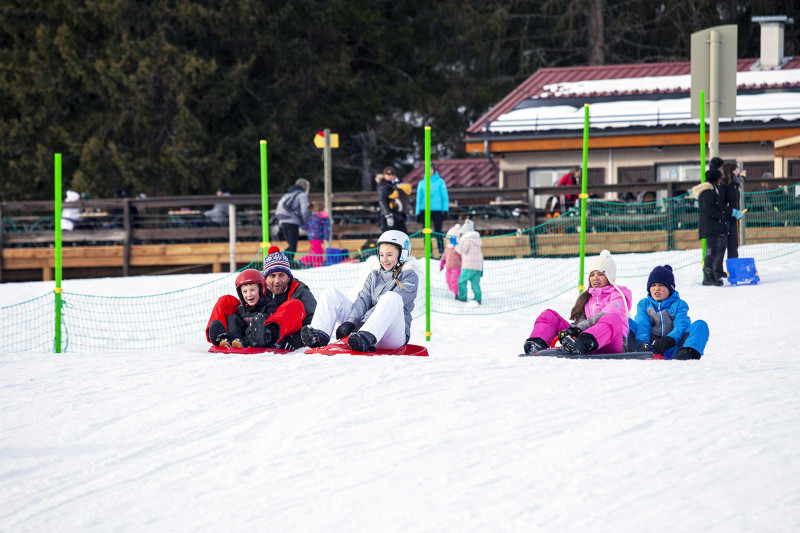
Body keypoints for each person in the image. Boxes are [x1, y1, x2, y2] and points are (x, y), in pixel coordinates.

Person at [299, 230, 418, 352]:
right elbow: (363, 300)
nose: (384, 259)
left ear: (402, 254)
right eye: (381, 255)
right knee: (330, 294)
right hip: (361, 331)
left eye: (389, 255)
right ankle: (319, 335)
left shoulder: (410, 277)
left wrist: (362, 324)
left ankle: (366, 337)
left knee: (391, 297)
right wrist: (350, 322)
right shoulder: (374, 275)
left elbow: (388, 304)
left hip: (391, 336)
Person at [522, 249, 633, 355]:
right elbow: (580, 322)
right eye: (592, 274)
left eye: (601, 274)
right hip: (582, 341)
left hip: (611, 344)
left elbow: (602, 317)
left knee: (612, 317)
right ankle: (537, 343)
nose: (595, 278)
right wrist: (571, 331)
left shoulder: (619, 297)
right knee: (549, 315)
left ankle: (584, 343)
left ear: (609, 277)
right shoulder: (587, 298)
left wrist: (577, 329)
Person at [206, 246, 317, 349]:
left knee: (294, 305)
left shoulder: (300, 292)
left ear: (289, 277)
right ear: (265, 278)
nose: (277, 281)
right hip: (251, 330)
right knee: (226, 300)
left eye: (281, 275)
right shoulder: (258, 288)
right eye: (272, 276)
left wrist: (296, 339)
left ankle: (267, 334)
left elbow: (315, 322)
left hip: (278, 337)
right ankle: (221, 337)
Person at [628, 265, 709, 360]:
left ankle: (685, 354)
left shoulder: (679, 304)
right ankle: (628, 351)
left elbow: (681, 326)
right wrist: (643, 344)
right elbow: (642, 325)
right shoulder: (644, 304)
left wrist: (668, 340)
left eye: (661, 285)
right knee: (626, 322)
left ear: (670, 288)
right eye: (653, 285)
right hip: (648, 349)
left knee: (700, 325)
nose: (656, 288)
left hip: (672, 347)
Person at [691, 168, 743, 286]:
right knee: (711, 250)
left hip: (713, 225)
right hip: (710, 226)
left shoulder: (712, 190)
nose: (721, 180)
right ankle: (708, 275)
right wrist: (720, 216)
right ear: (715, 179)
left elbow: (719, 207)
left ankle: (711, 274)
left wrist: (729, 213)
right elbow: (709, 208)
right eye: (719, 178)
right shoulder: (707, 192)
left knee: (713, 250)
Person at [415, 163, 449, 254]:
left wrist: (445, 210)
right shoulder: (422, 183)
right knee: (426, 231)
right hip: (424, 210)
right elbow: (419, 198)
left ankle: (441, 252)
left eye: (430, 169)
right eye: (427, 170)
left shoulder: (440, 182)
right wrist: (417, 212)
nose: (429, 171)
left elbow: (444, 197)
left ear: (434, 170)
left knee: (438, 231)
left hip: (437, 209)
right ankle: (428, 252)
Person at [275, 178, 310, 259]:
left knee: (291, 246)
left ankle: (280, 260)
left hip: (283, 222)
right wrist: (306, 222)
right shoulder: (302, 195)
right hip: (293, 222)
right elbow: (304, 210)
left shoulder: (288, 194)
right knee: (293, 247)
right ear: (306, 188)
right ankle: (281, 261)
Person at [719, 161, 744, 265]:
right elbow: (721, 204)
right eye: (735, 169)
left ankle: (733, 268)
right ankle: (717, 270)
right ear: (730, 171)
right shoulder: (724, 184)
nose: (737, 172)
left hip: (733, 220)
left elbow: (741, 180)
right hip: (725, 220)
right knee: (721, 247)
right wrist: (732, 211)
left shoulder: (734, 184)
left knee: (734, 245)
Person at [454, 219, 482, 304]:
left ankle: (462, 297)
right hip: (478, 266)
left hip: (468, 265)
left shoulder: (467, 238)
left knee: (461, 281)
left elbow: (462, 250)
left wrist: (455, 244)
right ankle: (478, 298)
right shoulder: (476, 239)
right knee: (475, 284)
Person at [376, 167, 409, 234]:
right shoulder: (383, 186)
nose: (391, 176)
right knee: (390, 236)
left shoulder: (396, 184)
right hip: (388, 214)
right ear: (384, 175)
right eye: (388, 174)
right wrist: (387, 214)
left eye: (392, 174)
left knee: (403, 234)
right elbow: (382, 200)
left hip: (397, 214)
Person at [299, 201, 331, 268]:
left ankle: (318, 266)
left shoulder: (313, 217)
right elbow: (326, 228)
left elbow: (306, 226)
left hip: (311, 237)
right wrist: (326, 238)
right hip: (318, 237)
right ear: (323, 208)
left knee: (319, 251)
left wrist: (302, 224)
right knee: (317, 252)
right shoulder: (324, 216)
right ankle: (303, 261)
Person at [439, 223, 462, 298]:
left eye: (452, 238)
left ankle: (456, 294)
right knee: (448, 280)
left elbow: (461, 255)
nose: (449, 240)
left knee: (454, 281)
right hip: (448, 268)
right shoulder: (447, 247)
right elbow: (444, 255)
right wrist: (442, 262)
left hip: (456, 268)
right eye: (448, 238)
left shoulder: (458, 247)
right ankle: (451, 292)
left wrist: (456, 245)